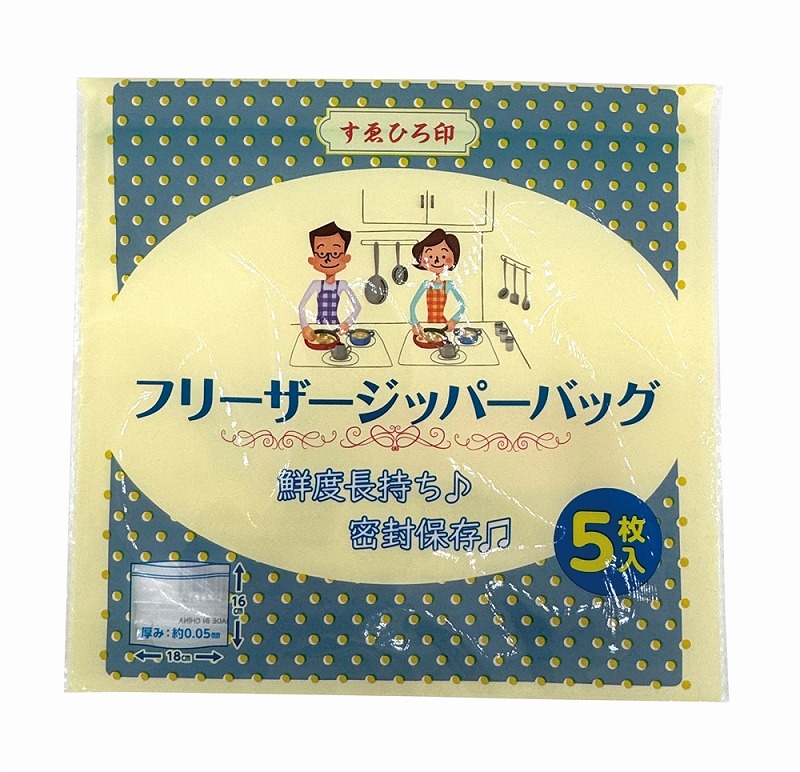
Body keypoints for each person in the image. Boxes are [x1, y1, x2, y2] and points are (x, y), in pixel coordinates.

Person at [298, 221, 362, 341]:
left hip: (335, 328)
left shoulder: (342, 284)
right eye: (322, 253)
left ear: (345, 258)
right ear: (313, 259)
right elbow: (301, 306)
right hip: (318, 328)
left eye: (335, 253)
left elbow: (357, 306)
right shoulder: (316, 284)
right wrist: (305, 326)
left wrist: (347, 323)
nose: (328, 259)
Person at [408, 228, 466, 334]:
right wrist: (415, 323)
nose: (436, 260)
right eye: (430, 256)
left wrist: (454, 320)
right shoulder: (426, 285)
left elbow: (462, 305)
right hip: (426, 326)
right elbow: (412, 306)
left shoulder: (449, 285)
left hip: (444, 327)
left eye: (443, 256)